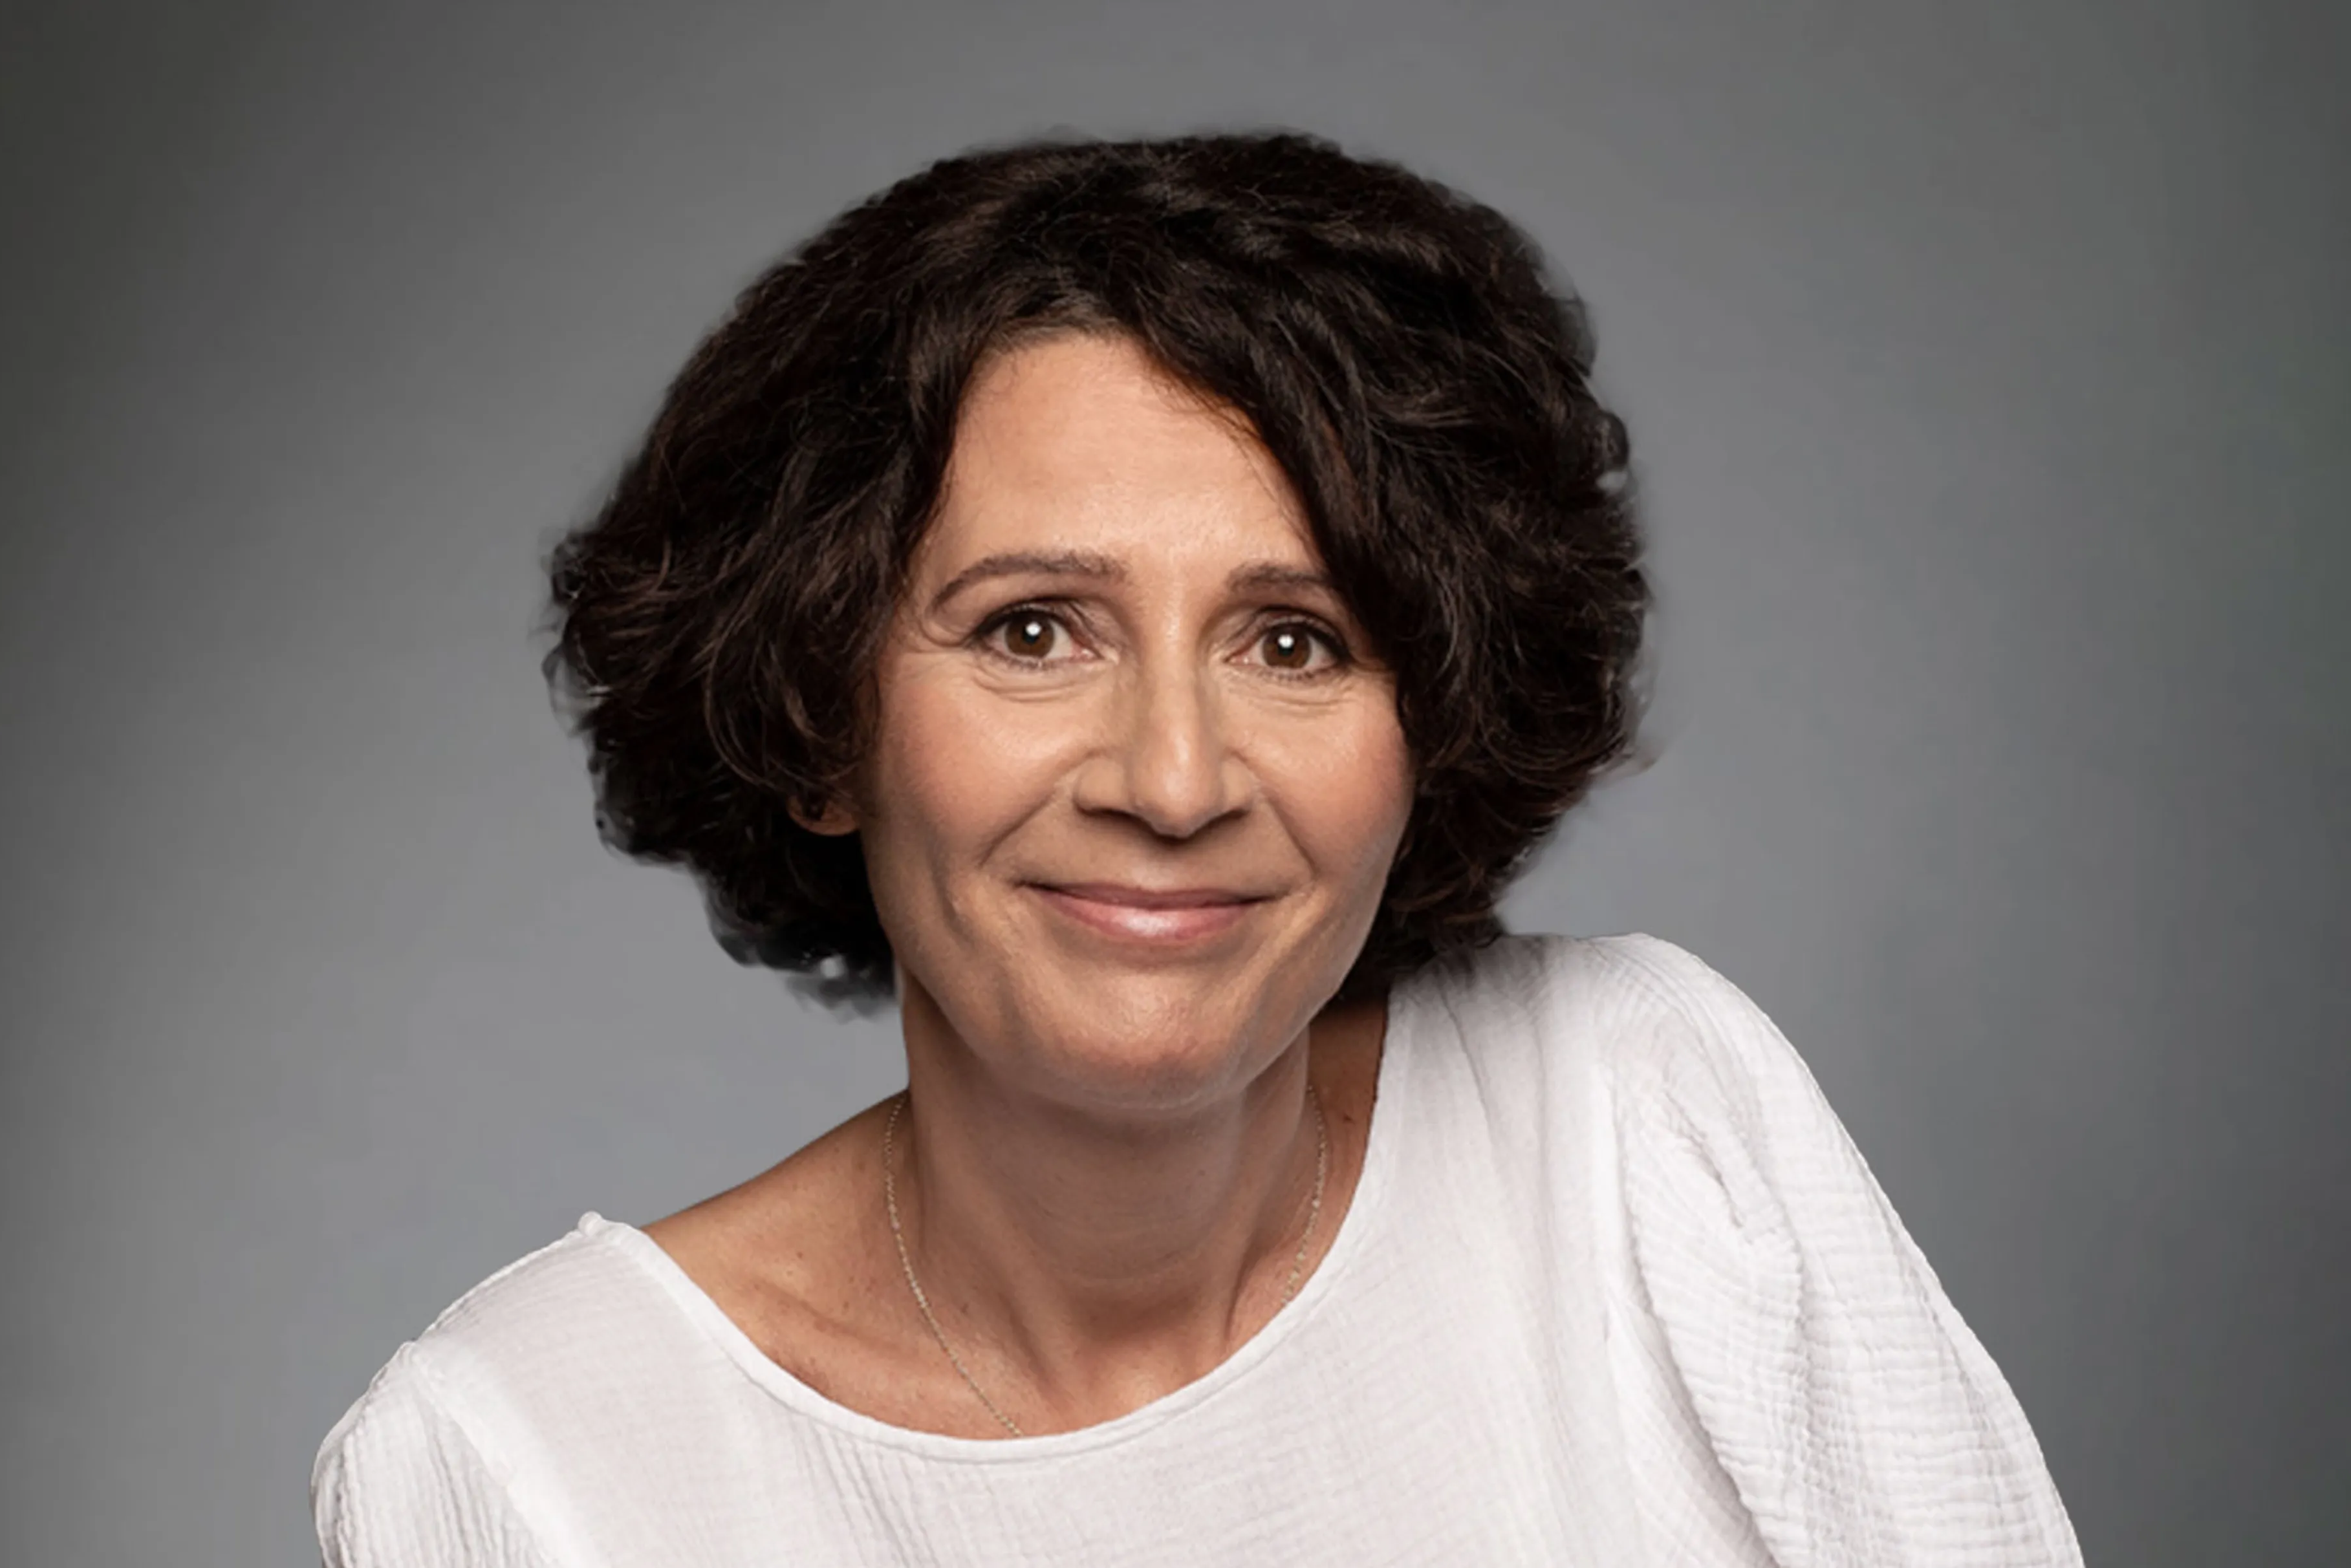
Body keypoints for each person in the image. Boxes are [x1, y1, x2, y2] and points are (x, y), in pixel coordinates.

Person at [311, 131, 2083, 1565]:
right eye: (1033, 631)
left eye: (1294, 641)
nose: (1173, 780)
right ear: (820, 719)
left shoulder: (1638, 1129)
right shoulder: (526, 1463)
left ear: (1431, 728)